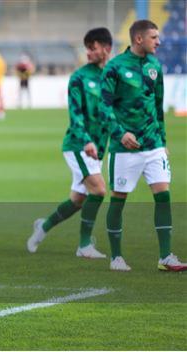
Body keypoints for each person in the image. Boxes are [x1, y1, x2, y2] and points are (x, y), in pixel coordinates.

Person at [100, 19, 186, 272]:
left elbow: (158, 106)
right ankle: (116, 257)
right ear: (139, 39)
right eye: (154, 37)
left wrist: (163, 140)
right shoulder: (115, 67)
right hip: (125, 148)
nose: (159, 42)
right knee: (119, 199)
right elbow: (103, 107)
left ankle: (165, 257)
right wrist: (119, 133)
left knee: (163, 196)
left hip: (153, 145)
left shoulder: (154, 66)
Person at [27, 28, 112, 258]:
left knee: (77, 200)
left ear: (107, 49)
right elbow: (75, 116)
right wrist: (86, 141)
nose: (88, 53)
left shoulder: (113, 77)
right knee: (99, 189)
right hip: (78, 146)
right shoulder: (80, 78)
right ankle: (84, 245)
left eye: (92, 48)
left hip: (98, 150)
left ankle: (42, 228)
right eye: (87, 48)